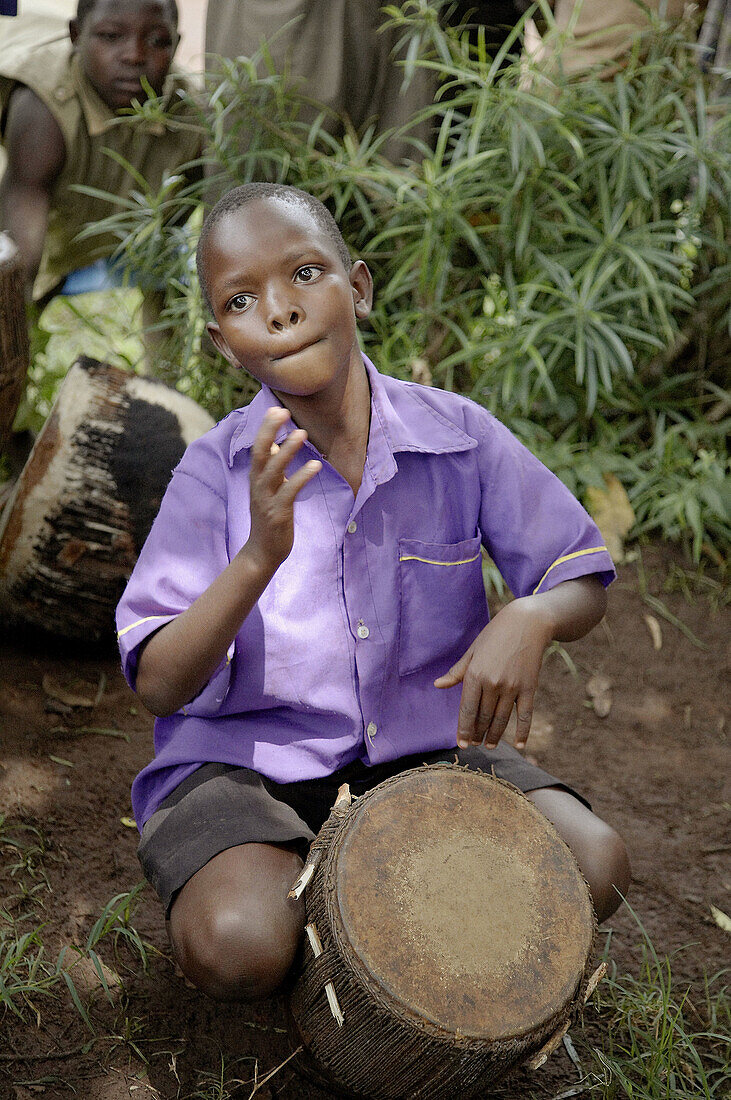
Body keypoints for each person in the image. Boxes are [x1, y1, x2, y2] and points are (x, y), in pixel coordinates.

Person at [116, 182, 631, 1002]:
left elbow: (578, 572)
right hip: (245, 766)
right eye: (242, 299)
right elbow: (159, 683)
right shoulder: (214, 471)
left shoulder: (458, 436)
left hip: (423, 755)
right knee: (239, 943)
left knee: (592, 866)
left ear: (357, 286)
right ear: (222, 341)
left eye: (305, 274)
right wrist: (257, 557)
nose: (279, 311)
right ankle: (340, 930)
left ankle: (366, 911)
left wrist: (531, 614)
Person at [0, 0, 201, 305]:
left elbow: (174, 230)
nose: (135, 55)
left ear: (176, 44)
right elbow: (17, 265)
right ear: (76, 36)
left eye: (157, 41)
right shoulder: (43, 109)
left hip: (123, 238)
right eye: (110, 36)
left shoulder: (192, 116)